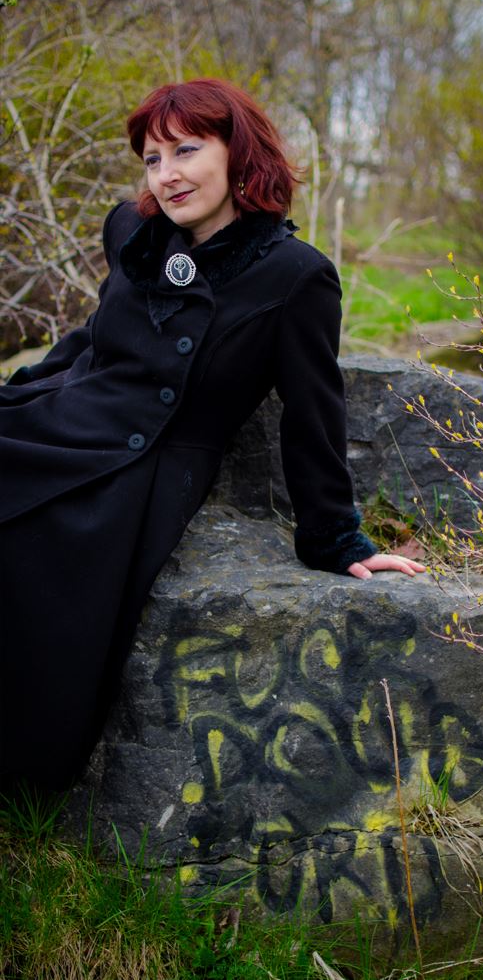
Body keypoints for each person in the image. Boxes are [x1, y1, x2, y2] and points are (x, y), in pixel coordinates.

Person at [0, 78, 424, 791]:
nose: (166, 175)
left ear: (238, 152)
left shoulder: (294, 276)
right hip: (63, 418)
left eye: (187, 151)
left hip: (140, 466)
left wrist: (336, 539)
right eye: (152, 159)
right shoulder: (131, 232)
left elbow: (314, 412)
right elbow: (95, 337)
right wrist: (24, 389)